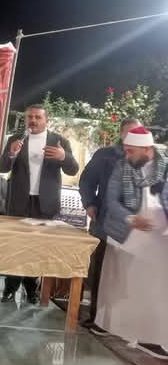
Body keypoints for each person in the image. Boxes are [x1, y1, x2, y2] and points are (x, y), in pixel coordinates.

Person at [95, 126, 168, 359]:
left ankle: (153, 338)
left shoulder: (165, 167)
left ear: (147, 149)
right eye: (125, 150)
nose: (126, 155)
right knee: (126, 289)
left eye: (131, 151)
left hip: (161, 238)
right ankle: (135, 334)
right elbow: (111, 201)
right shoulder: (122, 167)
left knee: (157, 290)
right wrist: (131, 218)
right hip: (128, 235)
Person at [0, 104, 79, 303]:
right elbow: (2, 167)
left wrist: (63, 157)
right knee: (15, 245)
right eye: (30, 117)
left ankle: (32, 288)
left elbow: (73, 170)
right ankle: (10, 286)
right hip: (19, 201)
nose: (33, 120)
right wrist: (11, 154)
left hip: (45, 202)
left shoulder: (59, 141)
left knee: (38, 247)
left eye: (37, 117)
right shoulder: (16, 139)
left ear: (46, 120)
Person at [78, 117, 140, 331]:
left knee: (127, 274)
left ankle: (125, 321)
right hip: (105, 222)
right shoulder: (105, 155)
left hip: (135, 228)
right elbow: (87, 181)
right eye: (130, 132)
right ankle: (98, 318)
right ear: (121, 134)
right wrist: (89, 204)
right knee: (101, 271)